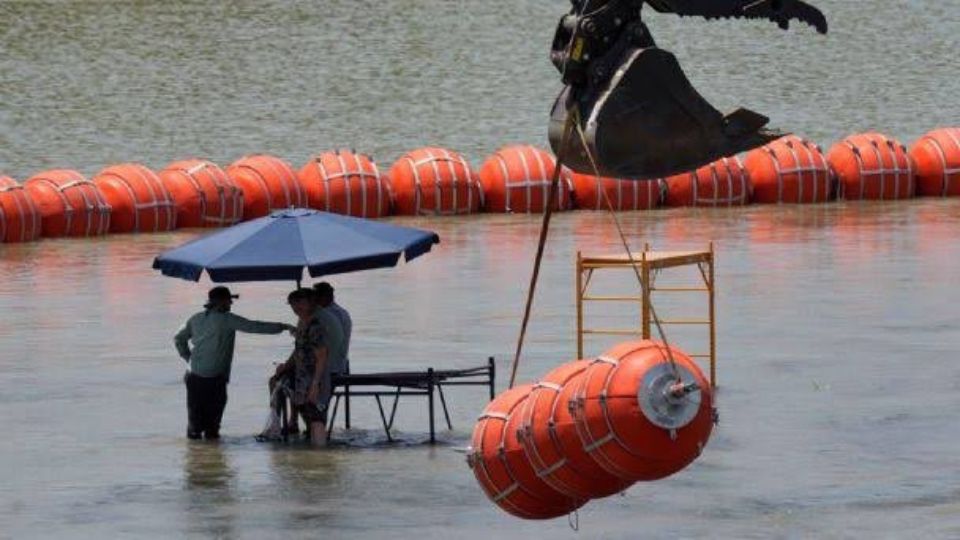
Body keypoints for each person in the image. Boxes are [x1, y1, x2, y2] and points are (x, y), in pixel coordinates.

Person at [174, 286, 294, 440]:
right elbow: (254, 326)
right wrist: (283, 326)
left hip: (193, 376)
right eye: (228, 301)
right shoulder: (227, 319)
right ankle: (212, 457)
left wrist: (188, 358)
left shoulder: (195, 318)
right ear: (220, 302)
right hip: (214, 378)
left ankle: (197, 457)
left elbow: (178, 338)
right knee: (212, 425)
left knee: (194, 422)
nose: (230, 304)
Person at [273, 288, 331, 446]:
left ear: (311, 303)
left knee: (317, 418)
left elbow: (322, 355)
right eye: (292, 303)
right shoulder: (302, 323)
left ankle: (320, 456)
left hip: (315, 378)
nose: (295, 307)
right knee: (309, 417)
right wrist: (286, 366)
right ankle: (313, 458)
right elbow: (299, 350)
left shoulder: (315, 326)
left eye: (300, 302)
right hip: (302, 378)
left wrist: (315, 384)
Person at [314, 282, 352, 374]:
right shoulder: (342, 312)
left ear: (324, 297)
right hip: (339, 363)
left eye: (316, 297)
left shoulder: (326, 314)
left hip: (329, 366)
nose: (314, 301)